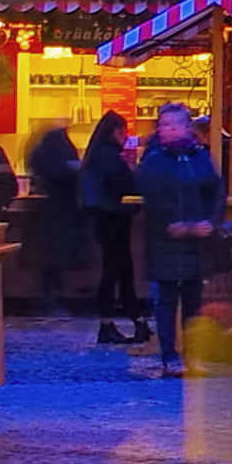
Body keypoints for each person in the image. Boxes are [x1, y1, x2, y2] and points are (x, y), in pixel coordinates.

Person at [134, 102, 227, 374]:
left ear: (187, 127)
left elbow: (215, 191)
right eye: (164, 125)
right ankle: (169, 354)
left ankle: (192, 353)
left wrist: (210, 222)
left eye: (174, 125)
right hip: (164, 241)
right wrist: (179, 226)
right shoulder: (153, 161)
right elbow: (153, 200)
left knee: (193, 301)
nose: (168, 130)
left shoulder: (200, 158)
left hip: (196, 243)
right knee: (165, 301)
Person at [82, 109, 145, 341]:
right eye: (124, 132)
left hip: (106, 218)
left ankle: (131, 321)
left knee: (117, 271)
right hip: (114, 218)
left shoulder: (98, 154)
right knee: (117, 271)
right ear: (116, 132)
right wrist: (135, 171)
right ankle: (115, 324)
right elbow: (125, 184)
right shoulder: (109, 156)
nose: (125, 137)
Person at [24, 119, 85, 314]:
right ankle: (55, 298)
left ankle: (50, 298)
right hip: (64, 209)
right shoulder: (58, 145)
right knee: (58, 256)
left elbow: (37, 165)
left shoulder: (44, 145)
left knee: (52, 258)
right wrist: (74, 168)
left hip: (53, 209)